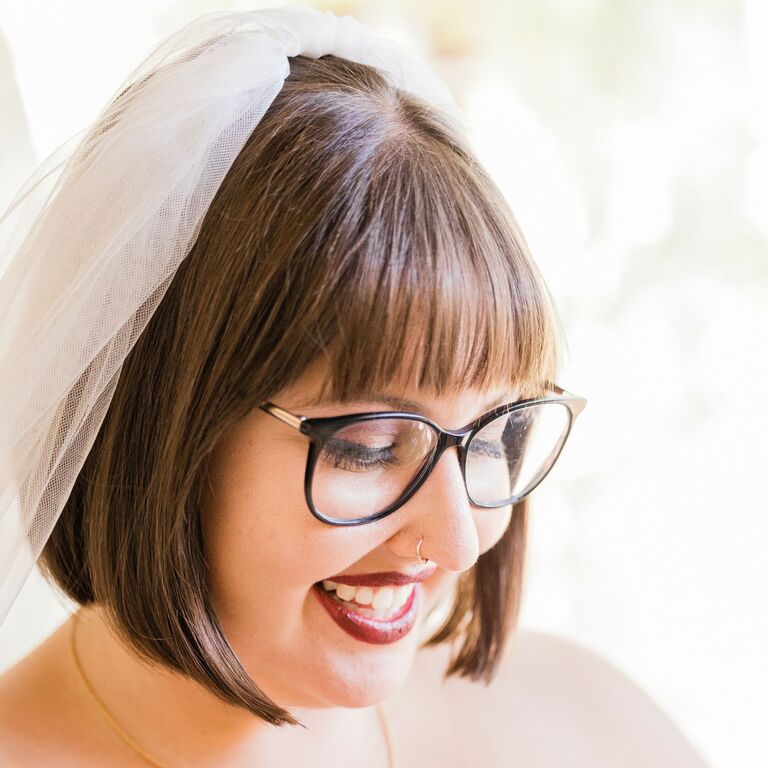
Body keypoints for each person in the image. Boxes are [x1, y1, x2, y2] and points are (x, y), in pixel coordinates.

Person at [0, 6, 711, 767]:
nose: (459, 542)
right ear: (154, 433)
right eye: (369, 448)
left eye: (498, 430)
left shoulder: (580, 718)